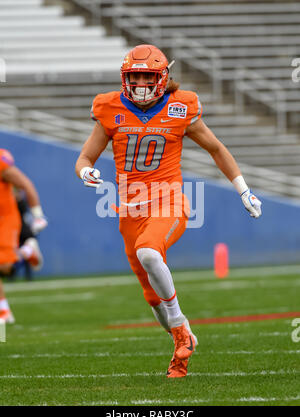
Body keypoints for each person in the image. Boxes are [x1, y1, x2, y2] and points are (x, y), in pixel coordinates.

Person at [75, 44, 262, 378]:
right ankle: (180, 333)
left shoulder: (181, 106)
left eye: (148, 76)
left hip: (169, 199)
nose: (142, 84)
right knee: (152, 297)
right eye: (135, 77)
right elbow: (85, 157)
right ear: (125, 78)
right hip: (129, 209)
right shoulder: (109, 107)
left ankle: (179, 329)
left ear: (162, 78)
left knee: (149, 253)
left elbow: (216, 148)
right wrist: (84, 171)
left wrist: (243, 188)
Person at [0, 149, 48, 323]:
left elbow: (26, 184)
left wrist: (37, 214)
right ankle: (3, 311)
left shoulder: (2, 162)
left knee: (5, 268)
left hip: (6, 219)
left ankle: (27, 251)